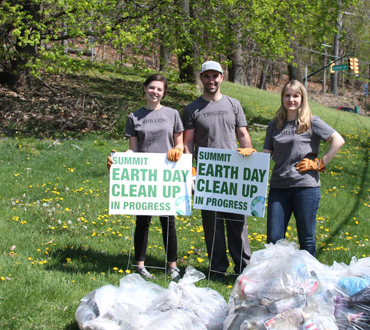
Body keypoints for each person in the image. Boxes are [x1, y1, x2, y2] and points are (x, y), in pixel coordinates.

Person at [108, 74, 184, 280]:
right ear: (144, 89)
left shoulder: (173, 114)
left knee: (168, 221)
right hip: (145, 175)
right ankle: (140, 265)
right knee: (143, 221)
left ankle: (173, 266)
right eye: (152, 88)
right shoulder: (134, 117)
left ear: (163, 92)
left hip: (168, 173)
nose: (155, 92)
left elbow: (180, 143)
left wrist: (177, 151)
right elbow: (133, 149)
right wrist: (120, 160)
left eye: (159, 89)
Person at [182, 61, 255, 278]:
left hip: (233, 173)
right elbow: (187, 143)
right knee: (212, 225)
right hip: (207, 173)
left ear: (222, 77)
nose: (211, 80)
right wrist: (191, 170)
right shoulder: (192, 109)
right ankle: (217, 268)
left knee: (237, 222)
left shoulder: (233, 104)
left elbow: (242, 134)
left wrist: (249, 153)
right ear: (201, 78)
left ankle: (243, 267)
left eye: (215, 76)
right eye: (207, 76)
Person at [261, 79, 345, 257]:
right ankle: (275, 279)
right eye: (287, 95)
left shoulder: (311, 122)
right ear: (282, 98)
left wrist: (320, 163)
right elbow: (265, 154)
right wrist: (248, 154)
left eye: (296, 96)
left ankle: (309, 279)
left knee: (306, 239)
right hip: (279, 188)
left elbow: (338, 140)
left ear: (302, 98)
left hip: (305, 188)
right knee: (273, 240)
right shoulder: (275, 125)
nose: (291, 100)